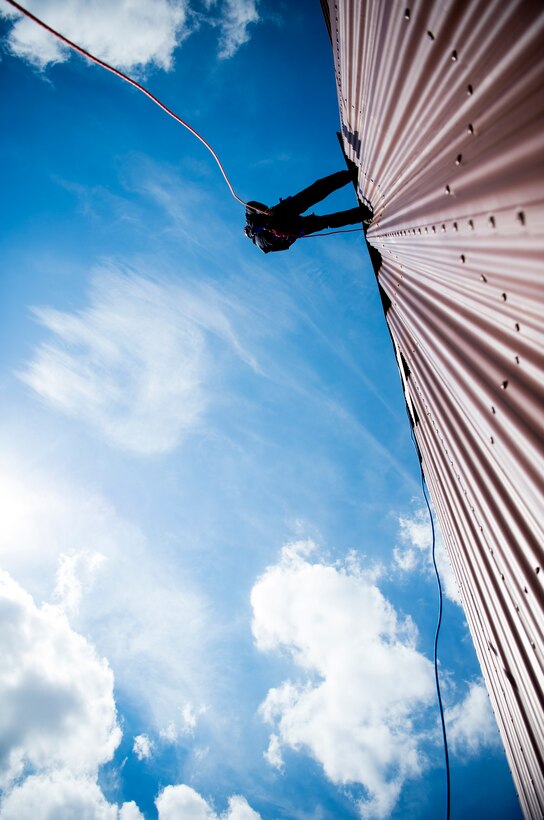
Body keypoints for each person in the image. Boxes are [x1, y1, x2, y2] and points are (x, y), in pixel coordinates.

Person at [244, 169, 373, 253]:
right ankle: (349, 175)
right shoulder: (254, 228)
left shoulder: (260, 240)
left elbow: (285, 246)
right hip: (286, 217)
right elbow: (250, 205)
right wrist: (266, 211)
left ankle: (363, 213)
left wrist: (290, 236)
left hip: (288, 221)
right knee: (316, 192)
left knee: (326, 219)